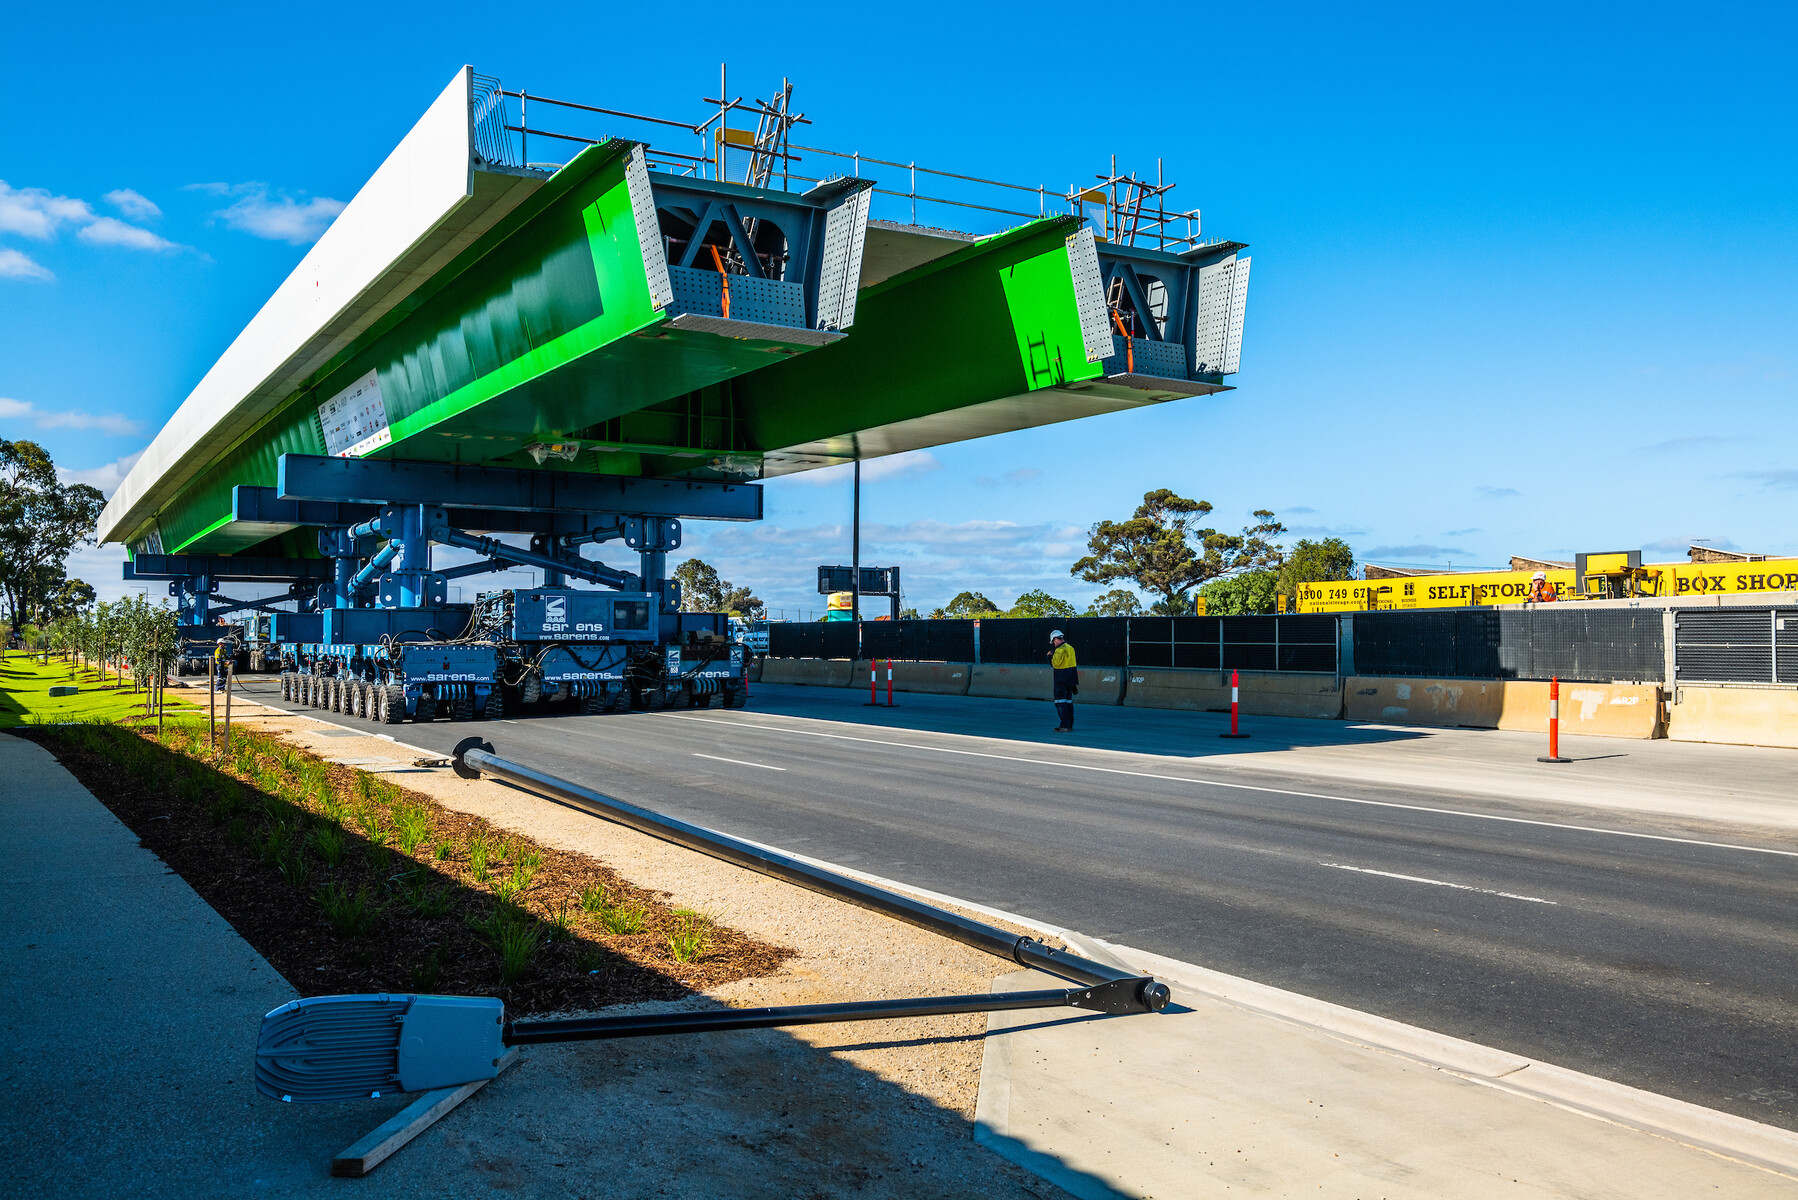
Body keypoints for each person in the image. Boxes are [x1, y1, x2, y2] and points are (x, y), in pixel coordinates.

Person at [1049, 629, 1078, 732]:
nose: (1054, 644)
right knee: (1068, 702)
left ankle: (1064, 725)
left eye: (1053, 641)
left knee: (1060, 702)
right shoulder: (1070, 648)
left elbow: (1055, 664)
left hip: (1061, 680)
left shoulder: (1060, 650)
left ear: (1055, 639)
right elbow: (1073, 665)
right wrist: (1074, 684)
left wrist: (1049, 656)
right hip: (1070, 679)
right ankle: (1069, 724)